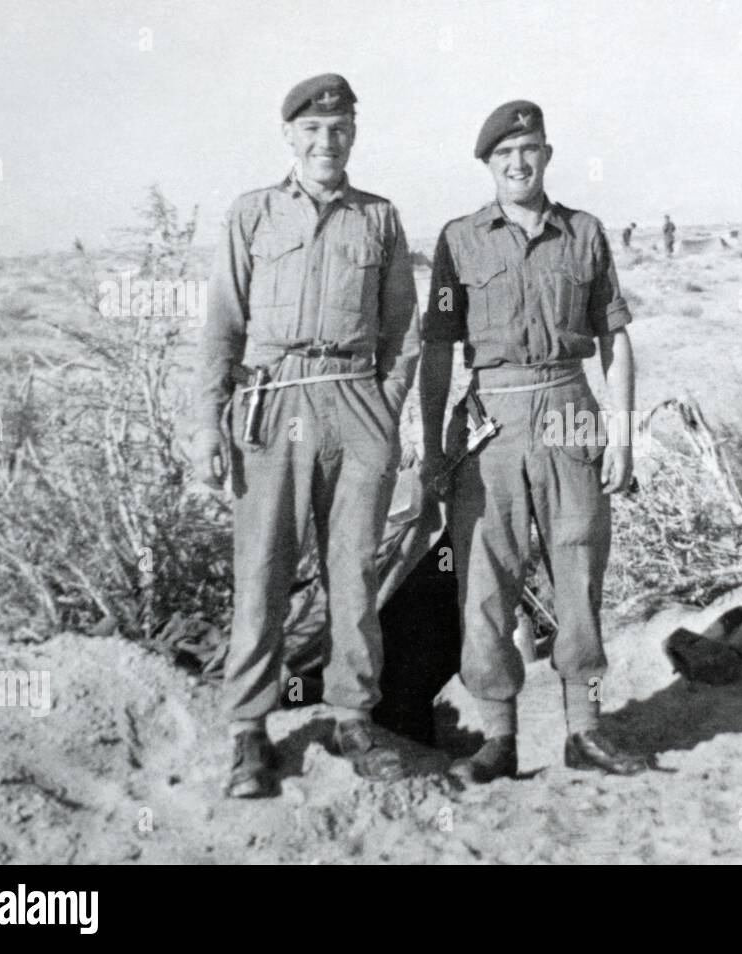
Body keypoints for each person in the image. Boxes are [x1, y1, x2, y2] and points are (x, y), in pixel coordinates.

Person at [194, 73, 421, 797]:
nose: (328, 141)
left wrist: (382, 414)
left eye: (341, 128)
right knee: (260, 571)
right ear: (290, 135)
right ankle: (249, 734)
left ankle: (354, 717)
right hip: (273, 403)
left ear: (354, 132)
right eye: (314, 130)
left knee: (353, 572)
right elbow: (222, 326)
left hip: (355, 402)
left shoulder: (379, 219)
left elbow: (403, 332)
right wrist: (209, 422)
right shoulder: (252, 214)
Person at [420, 100, 645, 783]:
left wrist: (624, 436)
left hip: (570, 407)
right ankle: (498, 738)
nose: (518, 164)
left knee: (579, 567)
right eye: (503, 155)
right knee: (486, 579)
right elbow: (436, 350)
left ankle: (585, 730)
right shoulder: (459, 240)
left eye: (530, 150)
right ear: (487, 164)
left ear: (547, 155)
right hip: (492, 417)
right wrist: (431, 444)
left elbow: (616, 339)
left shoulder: (584, 233)